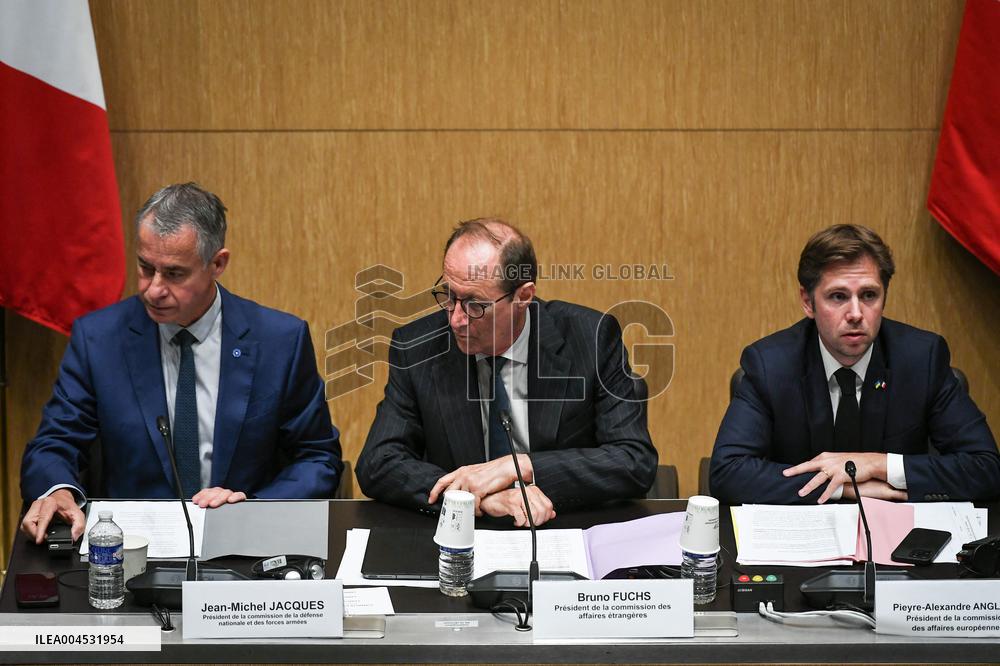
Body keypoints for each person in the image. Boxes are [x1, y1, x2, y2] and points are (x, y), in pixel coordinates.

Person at [20, 183, 343, 543]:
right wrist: (58, 490)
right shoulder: (99, 339)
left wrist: (254, 507)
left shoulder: (280, 341)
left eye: (174, 274)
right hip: (129, 550)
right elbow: (54, 442)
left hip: (242, 548)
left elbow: (318, 458)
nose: (153, 289)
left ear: (217, 264)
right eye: (146, 268)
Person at [356, 218, 657, 525]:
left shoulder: (590, 339)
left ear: (523, 297)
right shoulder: (418, 347)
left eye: (475, 304)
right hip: (460, 538)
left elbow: (633, 461)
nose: (455, 319)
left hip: (563, 529)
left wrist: (519, 467)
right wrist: (475, 499)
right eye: (448, 296)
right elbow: (378, 463)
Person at [710, 224, 1000, 505]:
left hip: (898, 538)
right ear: (807, 302)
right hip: (801, 540)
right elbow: (728, 473)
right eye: (838, 297)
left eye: (869, 295)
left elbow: (986, 468)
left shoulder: (921, 358)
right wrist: (844, 488)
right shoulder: (771, 364)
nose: (856, 313)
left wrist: (877, 465)